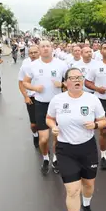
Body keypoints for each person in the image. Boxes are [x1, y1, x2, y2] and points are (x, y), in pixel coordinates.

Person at [46, 68, 106, 211]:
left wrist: (95, 125)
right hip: (66, 150)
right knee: (72, 190)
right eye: (72, 78)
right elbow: (49, 118)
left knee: (88, 184)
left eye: (79, 77)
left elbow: (103, 121)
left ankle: (86, 205)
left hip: (87, 148)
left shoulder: (92, 99)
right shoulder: (57, 100)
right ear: (66, 83)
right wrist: (53, 126)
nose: (77, 80)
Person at [23, 41, 67, 175]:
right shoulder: (33, 66)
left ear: (52, 48)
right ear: (39, 50)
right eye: (43, 46)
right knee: (43, 139)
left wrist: (62, 84)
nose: (46, 48)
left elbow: (71, 81)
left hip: (58, 105)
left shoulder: (61, 64)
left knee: (57, 137)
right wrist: (34, 88)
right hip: (41, 104)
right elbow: (25, 82)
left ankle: (55, 159)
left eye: (48, 46)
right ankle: (46, 157)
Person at [18, 46, 40, 148]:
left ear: (39, 53)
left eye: (35, 52)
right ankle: (35, 135)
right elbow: (21, 83)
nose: (33, 55)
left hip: (45, 98)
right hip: (32, 98)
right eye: (31, 53)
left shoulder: (46, 65)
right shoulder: (25, 67)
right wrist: (26, 97)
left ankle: (43, 142)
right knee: (34, 124)